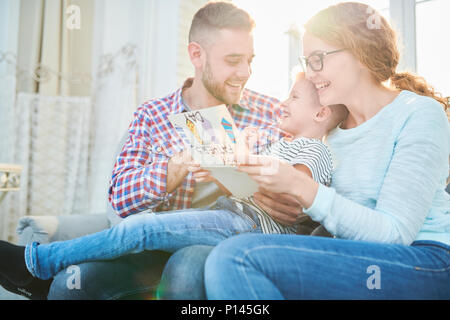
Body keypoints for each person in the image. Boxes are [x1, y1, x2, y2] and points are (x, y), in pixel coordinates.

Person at [0, 2, 302, 300]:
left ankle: (34, 261)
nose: (245, 72)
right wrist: (174, 169)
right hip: (152, 245)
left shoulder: (273, 113)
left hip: (220, 244)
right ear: (196, 54)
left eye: (250, 60)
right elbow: (119, 199)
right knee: (75, 282)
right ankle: (36, 269)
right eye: (233, 60)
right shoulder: (152, 115)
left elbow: (297, 183)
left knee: (187, 266)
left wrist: (274, 194)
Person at [0, 72, 349, 296]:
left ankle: (36, 263)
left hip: (248, 228)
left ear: (320, 115)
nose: (282, 103)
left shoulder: (315, 149)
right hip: (232, 216)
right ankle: (39, 265)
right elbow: (251, 183)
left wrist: (242, 155)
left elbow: (297, 191)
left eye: (293, 98)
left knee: (139, 231)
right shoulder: (282, 142)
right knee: (137, 231)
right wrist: (216, 169)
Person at [204, 2, 450, 300]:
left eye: (318, 59)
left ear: (361, 52)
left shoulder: (418, 114)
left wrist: (299, 185)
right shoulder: (329, 131)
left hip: (425, 260)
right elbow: (330, 210)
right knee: (195, 263)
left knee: (236, 258)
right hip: (357, 252)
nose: (310, 72)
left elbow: (394, 234)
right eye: (306, 61)